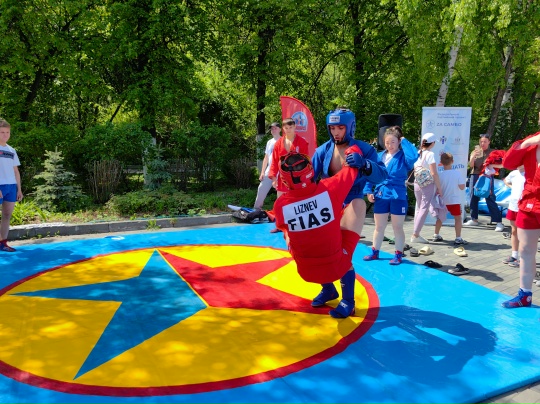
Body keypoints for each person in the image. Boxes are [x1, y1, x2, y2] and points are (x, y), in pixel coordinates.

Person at [307, 107, 387, 317]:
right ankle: (328, 288)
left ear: (350, 127)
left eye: (340, 128)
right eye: (332, 128)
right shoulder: (323, 151)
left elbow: (382, 175)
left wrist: (366, 165)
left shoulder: (364, 149)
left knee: (341, 253)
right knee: (316, 250)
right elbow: (310, 179)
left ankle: (348, 301)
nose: (336, 132)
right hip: (326, 204)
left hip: (353, 203)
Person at [273, 147, 369, 318]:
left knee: (287, 232)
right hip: (336, 265)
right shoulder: (330, 188)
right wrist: (353, 151)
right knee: (358, 204)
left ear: (285, 181)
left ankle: (328, 289)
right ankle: (348, 301)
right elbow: (351, 170)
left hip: (306, 271)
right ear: (310, 170)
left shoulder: (280, 205)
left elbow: (283, 226)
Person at [362, 126, 418, 265]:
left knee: (397, 227)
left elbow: (414, 157)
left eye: (393, 142)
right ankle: (375, 251)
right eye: (387, 142)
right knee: (379, 226)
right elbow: (371, 173)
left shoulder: (404, 156)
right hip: (381, 193)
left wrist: (404, 140)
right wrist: (368, 190)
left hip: (397, 195)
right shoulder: (379, 156)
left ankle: (398, 254)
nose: (390, 145)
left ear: (398, 141)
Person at [501, 131, 540, 308]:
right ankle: (525, 295)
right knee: (525, 250)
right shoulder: (531, 143)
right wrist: (526, 144)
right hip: (529, 204)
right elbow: (508, 163)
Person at [267, 118, 309, 233]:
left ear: (295, 127)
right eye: (286, 128)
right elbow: (274, 161)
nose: (289, 130)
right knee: (280, 202)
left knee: (298, 201)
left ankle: (301, 224)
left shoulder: (302, 142)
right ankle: (280, 225)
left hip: (297, 177)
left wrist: (305, 178)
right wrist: (274, 178)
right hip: (283, 177)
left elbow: (306, 161)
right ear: (283, 129)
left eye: (291, 127)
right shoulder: (278, 144)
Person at [465, 134, 504, 231]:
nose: (482, 143)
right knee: (473, 197)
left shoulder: (493, 152)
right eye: (481, 142)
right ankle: (474, 219)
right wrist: (473, 157)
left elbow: (502, 164)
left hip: (487, 176)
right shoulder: (475, 151)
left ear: (489, 142)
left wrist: (492, 166)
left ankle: (498, 221)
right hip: (475, 175)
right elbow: (471, 165)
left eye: (485, 142)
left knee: (489, 197)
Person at [410, 132, 442, 244]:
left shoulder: (418, 153)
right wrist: (439, 188)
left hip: (417, 182)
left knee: (419, 209)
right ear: (432, 143)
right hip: (427, 184)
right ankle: (415, 234)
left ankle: (415, 233)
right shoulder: (430, 154)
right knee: (423, 209)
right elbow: (434, 173)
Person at [432, 152, 467, 247]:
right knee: (458, 219)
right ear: (452, 161)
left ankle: (436, 235)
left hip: (442, 201)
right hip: (454, 200)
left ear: (441, 162)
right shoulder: (457, 173)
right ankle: (458, 238)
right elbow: (462, 187)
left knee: (440, 218)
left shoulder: (439, 175)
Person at [0, 119, 23, 252]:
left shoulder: (12, 150)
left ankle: (3, 243)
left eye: (7, 132)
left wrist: (19, 189)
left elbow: (16, 171)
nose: (5, 135)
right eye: (2, 132)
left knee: (7, 215)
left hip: (11, 186)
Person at [501, 166, 525, 268]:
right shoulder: (513, 173)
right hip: (513, 206)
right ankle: (514, 256)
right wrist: (512, 187)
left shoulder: (531, 173)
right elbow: (506, 180)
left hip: (524, 207)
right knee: (514, 231)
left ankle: (523, 259)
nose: (519, 164)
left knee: (523, 234)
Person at [254, 122, 281, 210]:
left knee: (281, 192)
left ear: (280, 129)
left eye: (275, 128)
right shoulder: (269, 142)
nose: (273, 130)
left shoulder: (284, 140)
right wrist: (262, 172)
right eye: (272, 129)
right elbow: (266, 157)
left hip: (281, 171)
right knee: (261, 188)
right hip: (270, 170)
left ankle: (281, 211)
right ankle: (257, 209)